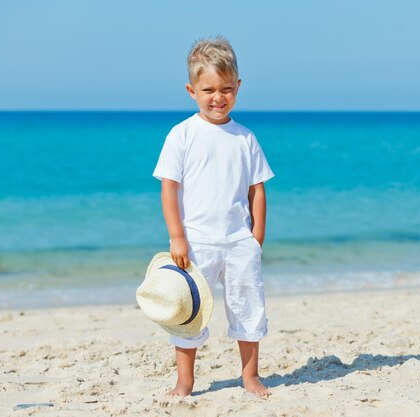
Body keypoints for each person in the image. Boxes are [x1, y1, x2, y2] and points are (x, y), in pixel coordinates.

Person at [152, 36, 274, 397]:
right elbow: (169, 188)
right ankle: (185, 380)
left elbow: (258, 189)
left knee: (248, 307)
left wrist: (257, 236)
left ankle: (249, 376)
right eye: (208, 89)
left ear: (238, 87)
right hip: (195, 242)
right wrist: (177, 236)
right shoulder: (182, 135)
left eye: (225, 89)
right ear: (192, 90)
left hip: (239, 241)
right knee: (188, 311)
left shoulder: (245, 138)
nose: (217, 97)